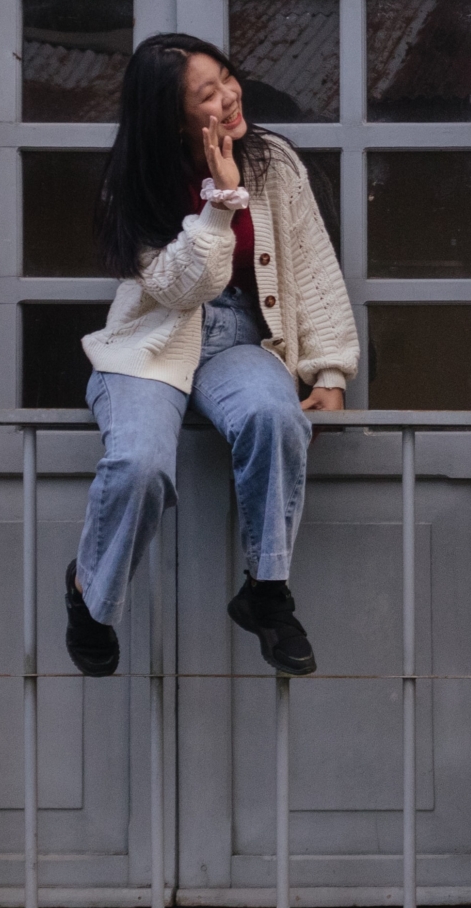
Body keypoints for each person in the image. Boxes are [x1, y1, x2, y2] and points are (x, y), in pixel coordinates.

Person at [63, 33, 359, 678]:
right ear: (171, 117)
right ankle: (91, 592)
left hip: (241, 338)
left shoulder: (271, 160)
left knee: (276, 417)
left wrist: (329, 368)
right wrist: (220, 206)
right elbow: (179, 288)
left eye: (228, 78)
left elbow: (309, 264)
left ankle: (266, 590)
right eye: (207, 94)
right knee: (139, 463)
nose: (229, 98)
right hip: (152, 342)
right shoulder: (133, 183)